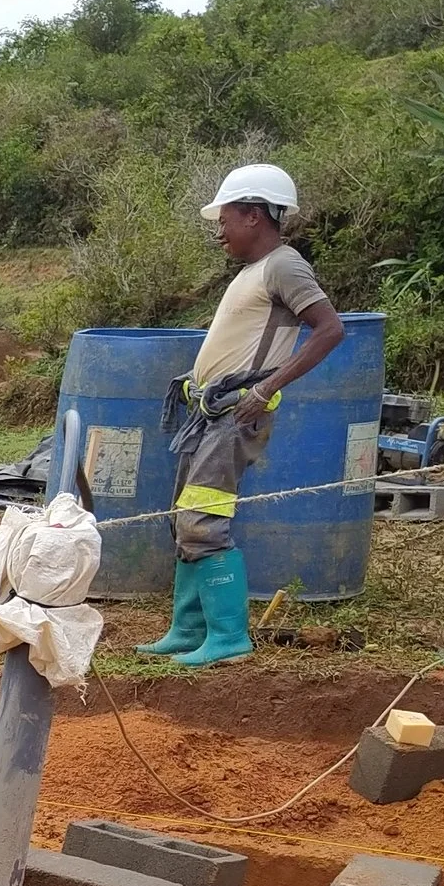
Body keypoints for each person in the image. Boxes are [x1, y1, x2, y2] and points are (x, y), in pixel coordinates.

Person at [144, 163, 343, 668]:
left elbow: (328, 329)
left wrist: (267, 387)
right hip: (210, 414)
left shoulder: (284, 265)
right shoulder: (253, 273)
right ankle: (188, 631)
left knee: (204, 520)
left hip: (236, 414)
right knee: (184, 519)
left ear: (253, 215)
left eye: (226, 218)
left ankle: (229, 638)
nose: (220, 231)